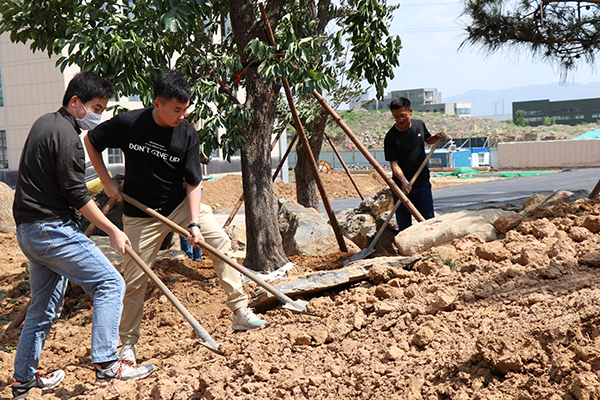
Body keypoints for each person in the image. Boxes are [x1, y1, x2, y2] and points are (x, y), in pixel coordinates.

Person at [84, 69, 268, 365]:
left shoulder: (187, 133)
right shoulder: (130, 123)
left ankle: (240, 311)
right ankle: (128, 344)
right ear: (157, 104)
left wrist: (193, 224)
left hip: (179, 205)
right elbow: (91, 141)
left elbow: (194, 182)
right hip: (140, 212)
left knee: (218, 241)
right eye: (176, 109)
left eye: (186, 109)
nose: (182, 115)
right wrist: (106, 182)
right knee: (134, 279)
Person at [11, 71, 154, 399]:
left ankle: (23, 381)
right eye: (96, 107)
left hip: (30, 232)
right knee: (110, 283)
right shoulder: (66, 135)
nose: (98, 115)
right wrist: (113, 230)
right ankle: (107, 363)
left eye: (102, 109)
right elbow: (77, 195)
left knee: (43, 307)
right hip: (51, 230)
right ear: (75, 102)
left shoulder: (44, 124)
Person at [384, 97, 448, 232]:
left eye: (403, 116)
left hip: (422, 184)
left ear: (410, 111)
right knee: (404, 226)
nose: (400, 120)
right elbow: (394, 165)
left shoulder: (419, 125)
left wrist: (437, 137)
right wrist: (403, 181)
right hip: (401, 188)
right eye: (395, 117)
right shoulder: (391, 137)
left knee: (428, 221)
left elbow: (428, 139)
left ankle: (431, 249)